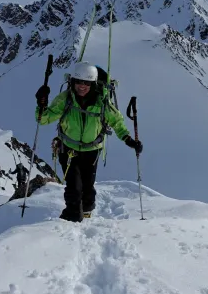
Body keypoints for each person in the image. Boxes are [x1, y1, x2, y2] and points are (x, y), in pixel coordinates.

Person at [35, 61, 143, 222]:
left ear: (92, 84)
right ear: (72, 82)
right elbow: (43, 119)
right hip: (68, 149)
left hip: (92, 151)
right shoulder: (65, 99)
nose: (82, 86)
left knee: (87, 185)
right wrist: (41, 104)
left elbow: (117, 122)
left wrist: (129, 140)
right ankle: (72, 217)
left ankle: (86, 210)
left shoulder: (102, 102)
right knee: (73, 187)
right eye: (78, 82)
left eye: (86, 83)